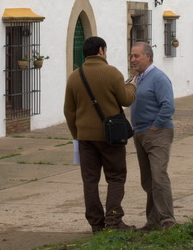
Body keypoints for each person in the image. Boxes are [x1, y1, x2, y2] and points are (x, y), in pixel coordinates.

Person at [64, 36, 136, 233]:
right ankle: (113, 219)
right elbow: (126, 99)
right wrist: (132, 85)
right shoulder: (112, 73)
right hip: (110, 137)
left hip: (85, 138)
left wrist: (77, 134)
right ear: (102, 50)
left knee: (90, 180)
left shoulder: (74, 76)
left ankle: (96, 224)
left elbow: (69, 111)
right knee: (116, 176)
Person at [130, 40, 175, 231]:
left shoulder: (159, 78)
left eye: (136, 56)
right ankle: (153, 221)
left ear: (148, 57)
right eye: (131, 56)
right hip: (140, 133)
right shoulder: (137, 79)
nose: (133, 60)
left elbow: (168, 106)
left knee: (158, 176)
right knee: (148, 180)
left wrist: (155, 126)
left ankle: (167, 220)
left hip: (157, 134)